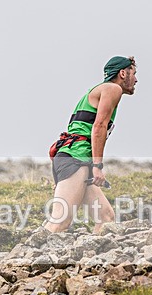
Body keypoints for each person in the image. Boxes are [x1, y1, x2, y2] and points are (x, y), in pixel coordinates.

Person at [46, 56, 137, 233]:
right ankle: (24, 250)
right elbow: (99, 126)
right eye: (133, 73)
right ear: (122, 73)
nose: (136, 79)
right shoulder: (112, 89)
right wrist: (97, 166)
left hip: (75, 157)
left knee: (106, 218)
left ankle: (92, 253)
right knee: (60, 222)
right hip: (76, 157)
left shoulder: (99, 90)